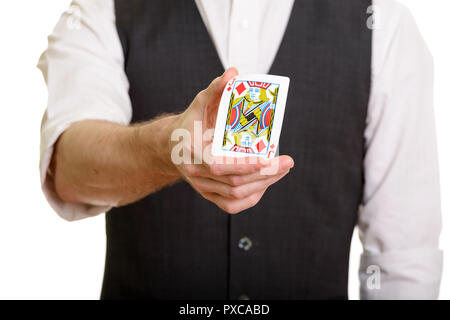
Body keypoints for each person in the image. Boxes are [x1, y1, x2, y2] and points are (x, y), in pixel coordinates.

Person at [38, 0, 442, 299]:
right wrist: (171, 146)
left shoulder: (382, 23)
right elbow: (69, 170)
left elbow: (404, 260)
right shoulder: (104, 8)